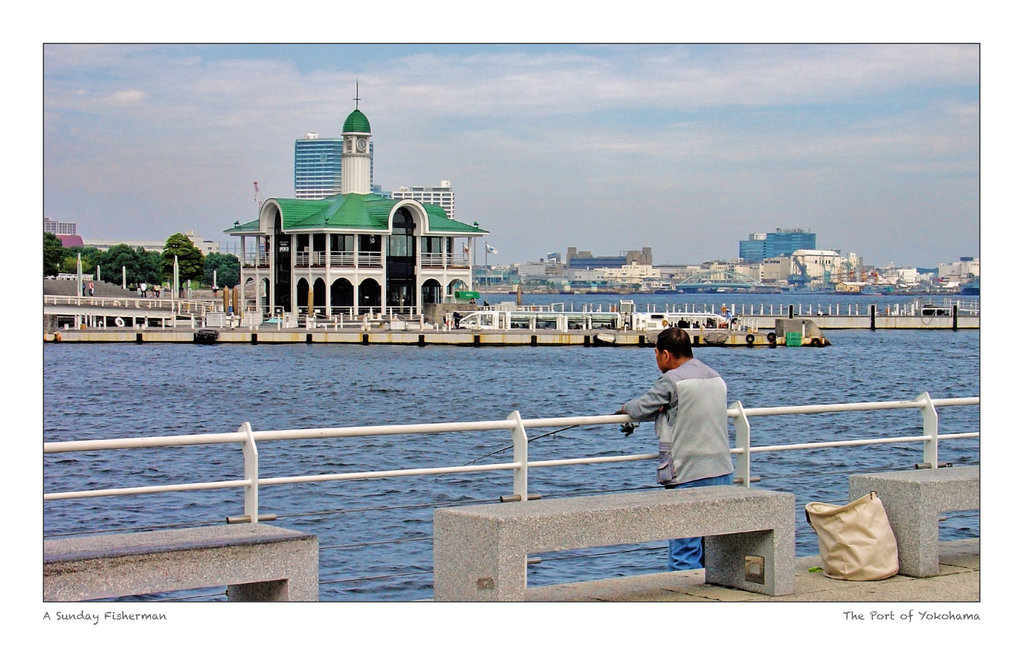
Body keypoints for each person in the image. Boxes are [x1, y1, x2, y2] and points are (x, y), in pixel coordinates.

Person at [615, 326, 734, 571]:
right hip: (722, 471)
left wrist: (624, 408)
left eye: (657, 354)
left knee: (684, 549)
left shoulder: (671, 380)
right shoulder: (715, 377)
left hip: (688, 473)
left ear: (666, 355)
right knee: (712, 546)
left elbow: (640, 408)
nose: (657, 360)